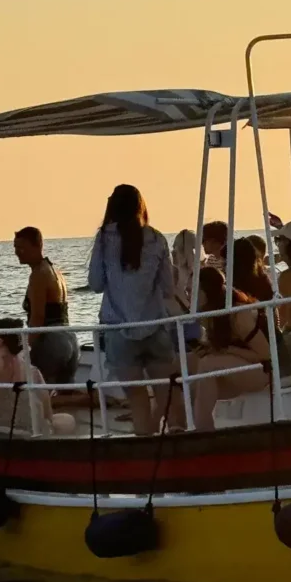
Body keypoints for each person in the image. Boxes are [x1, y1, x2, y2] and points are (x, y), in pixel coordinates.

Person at [88, 185, 178, 435]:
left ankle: (147, 452)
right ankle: (179, 445)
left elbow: (95, 284)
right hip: (155, 327)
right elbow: (169, 288)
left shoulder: (104, 238)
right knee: (167, 394)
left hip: (119, 331)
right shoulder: (157, 238)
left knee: (138, 400)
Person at [189, 267, 271, 431]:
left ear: (206, 291)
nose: (188, 294)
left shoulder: (239, 316)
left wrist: (226, 350)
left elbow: (266, 356)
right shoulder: (210, 314)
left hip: (263, 372)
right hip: (237, 369)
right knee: (183, 371)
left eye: (191, 290)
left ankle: (203, 431)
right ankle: (179, 428)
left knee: (207, 364)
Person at [14, 227, 79, 386]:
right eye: (15, 247)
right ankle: (101, 400)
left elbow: (37, 317)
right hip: (69, 337)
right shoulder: (56, 272)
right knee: (67, 391)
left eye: (21, 247)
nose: (17, 252)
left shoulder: (38, 274)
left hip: (51, 341)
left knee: (39, 393)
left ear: (38, 245)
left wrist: (26, 349)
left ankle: (101, 400)